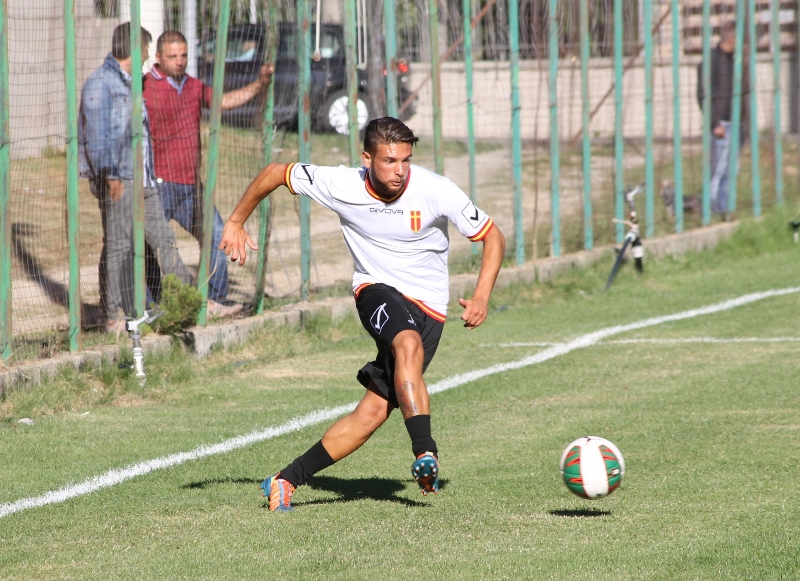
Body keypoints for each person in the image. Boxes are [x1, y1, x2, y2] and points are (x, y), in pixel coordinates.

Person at [219, 117, 506, 511]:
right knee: (405, 343)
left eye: (406, 160)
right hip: (376, 289)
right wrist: (235, 221)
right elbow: (275, 173)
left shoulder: (436, 190)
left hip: (430, 308)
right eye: (390, 161)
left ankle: (285, 480)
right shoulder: (342, 184)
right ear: (367, 157)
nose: (400, 171)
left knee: (371, 413)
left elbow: (492, 236)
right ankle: (426, 452)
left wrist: (481, 296)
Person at [143, 30, 273, 318]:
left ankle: (214, 300)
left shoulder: (192, 85)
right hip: (159, 184)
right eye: (173, 56)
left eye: (184, 55)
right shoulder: (144, 87)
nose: (179, 61)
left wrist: (259, 84)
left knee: (217, 234)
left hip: (192, 186)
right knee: (150, 244)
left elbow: (224, 102)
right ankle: (150, 307)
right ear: (158, 57)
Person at [79, 23, 194, 334]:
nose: (147, 55)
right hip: (118, 181)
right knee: (118, 246)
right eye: (145, 48)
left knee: (165, 241)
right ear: (133, 48)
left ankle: (188, 302)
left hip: (145, 180)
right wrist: (111, 175)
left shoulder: (130, 84)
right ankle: (113, 316)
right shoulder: (100, 84)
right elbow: (95, 136)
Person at [696, 20, 749, 221]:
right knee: (716, 171)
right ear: (732, 39)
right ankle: (709, 211)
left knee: (731, 171)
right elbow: (703, 95)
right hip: (720, 125)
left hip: (736, 124)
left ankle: (725, 210)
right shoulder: (710, 61)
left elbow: (743, 92)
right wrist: (714, 123)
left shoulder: (735, 61)